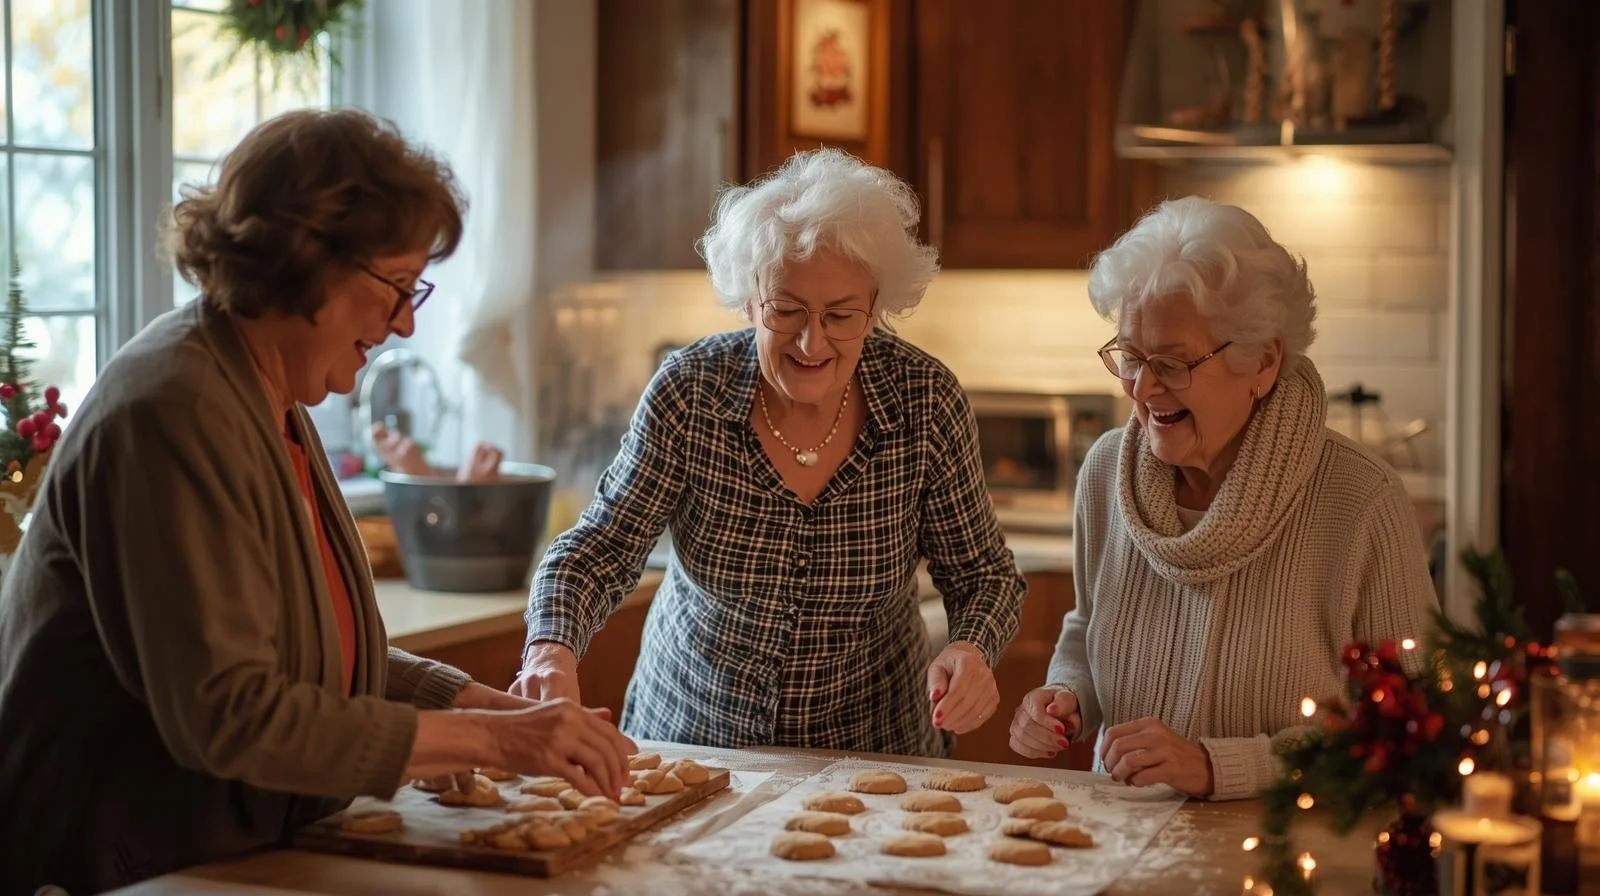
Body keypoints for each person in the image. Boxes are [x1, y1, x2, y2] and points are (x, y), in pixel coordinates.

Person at [0, 108, 634, 894]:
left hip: (215, 851)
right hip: (116, 864)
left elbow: (310, 657)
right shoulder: (176, 409)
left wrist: (484, 708)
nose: (405, 321)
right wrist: (491, 743)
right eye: (396, 288)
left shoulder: (273, 396)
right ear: (304, 259)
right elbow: (236, 715)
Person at [514, 148, 1027, 757]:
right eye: (786, 309)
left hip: (874, 749)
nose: (813, 340)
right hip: (692, 738)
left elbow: (983, 575)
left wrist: (972, 646)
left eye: (841, 315)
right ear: (750, 299)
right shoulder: (691, 392)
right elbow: (596, 552)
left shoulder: (924, 402)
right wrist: (550, 647)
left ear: (877, 307)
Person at [1008, 197, 1437, 800]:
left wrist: (1219, 767)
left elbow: (1407, 731)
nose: (1141, 385)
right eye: (1129, 355)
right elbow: (1086, 625)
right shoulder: (1106, 471)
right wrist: (1068, 694)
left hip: (1284, 860)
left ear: (1262, 361)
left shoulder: (1360, 500)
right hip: (1116, 838)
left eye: (1173, 362)